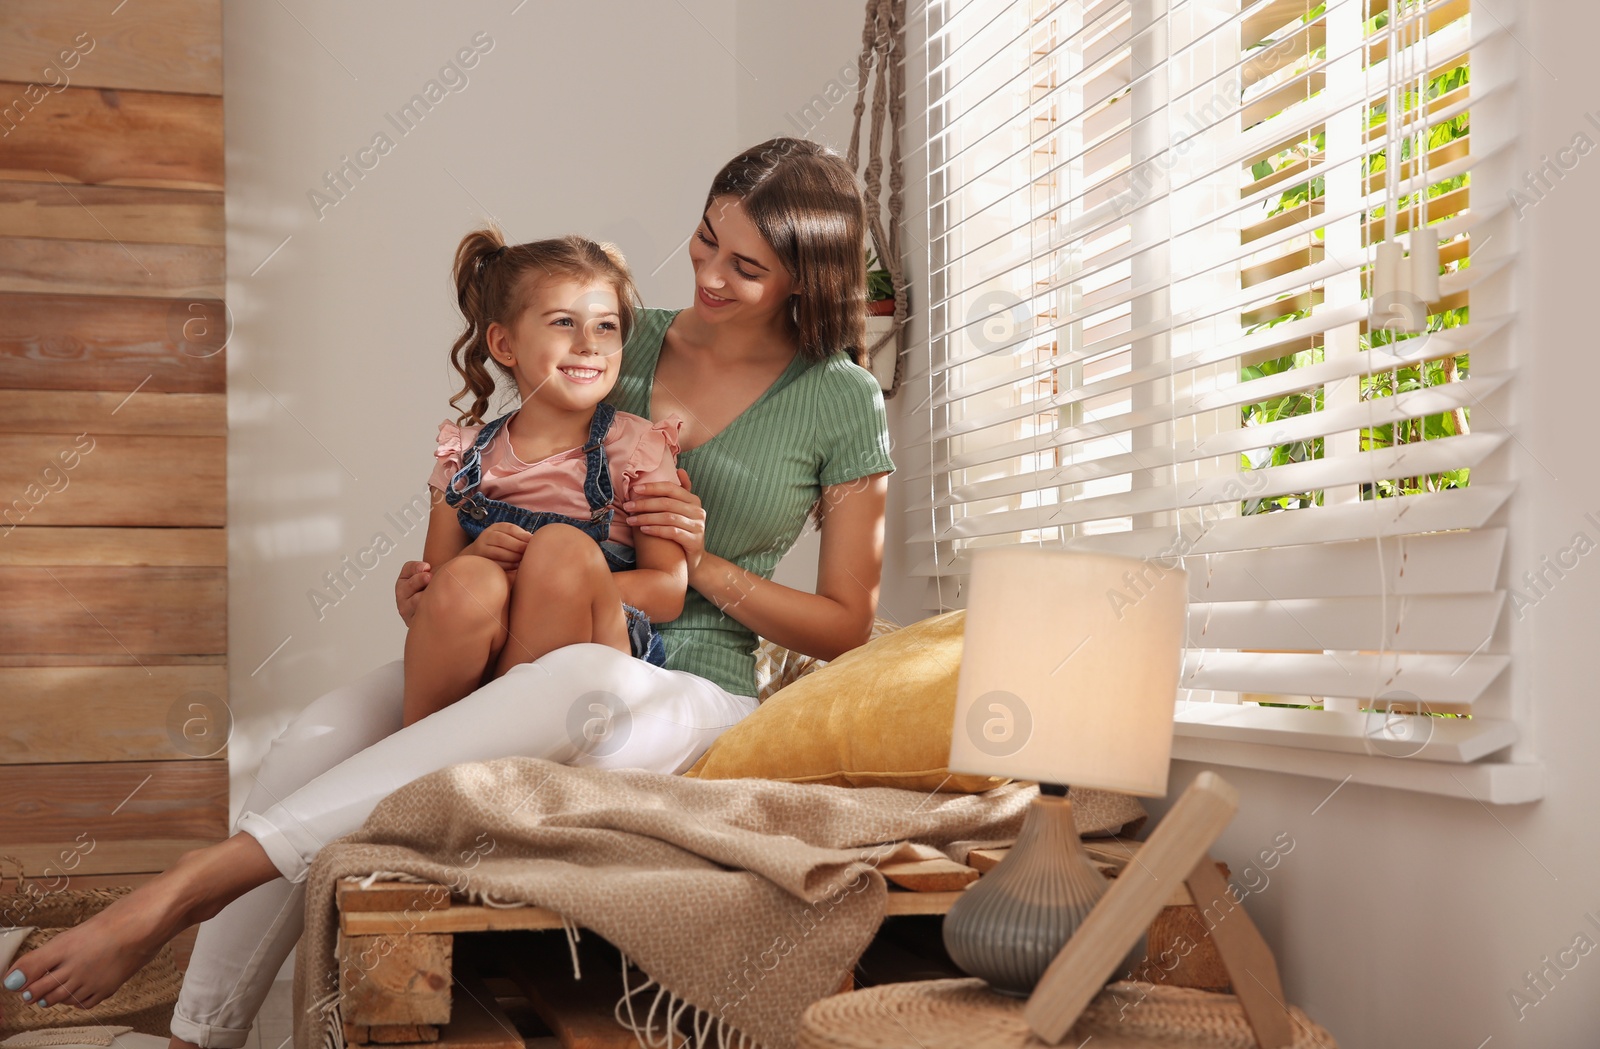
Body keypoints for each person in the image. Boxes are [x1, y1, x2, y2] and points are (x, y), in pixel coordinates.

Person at [1, 137, 896, 1049]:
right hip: (517, 637)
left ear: (806, 279)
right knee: (316, 732)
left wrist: (703, 565)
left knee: (575, 680)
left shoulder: (841, 398)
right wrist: (438, 586)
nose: (708, 271)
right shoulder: (618, 333)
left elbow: (846, 628)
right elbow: (506, 468)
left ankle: (182, 889)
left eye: (746, 266)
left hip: (677, 686)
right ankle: (201, 1033)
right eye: (706, 239)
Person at [404, 229, 687, 725]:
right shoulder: (464, 457)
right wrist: (464, 566)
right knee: (470, 579)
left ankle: (506, 750)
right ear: (505, 344)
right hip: (489, 660)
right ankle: (421, 752)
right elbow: (434, 586)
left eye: (606, 326)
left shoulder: (637, 448)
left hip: (596, 667)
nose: (588, 345)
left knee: (560, 549)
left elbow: (668, 590)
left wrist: (553, 582)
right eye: (563, 322)